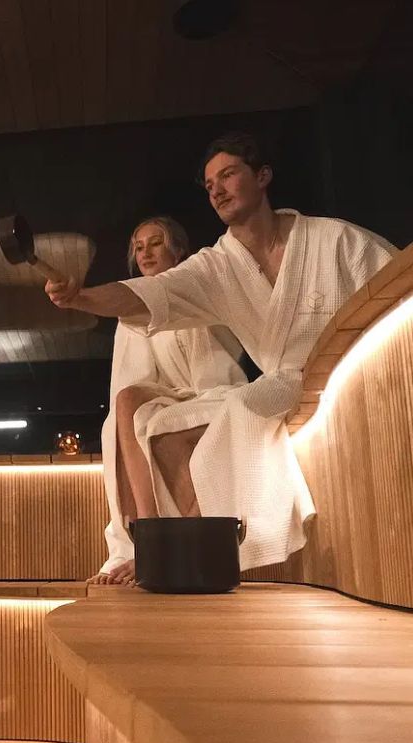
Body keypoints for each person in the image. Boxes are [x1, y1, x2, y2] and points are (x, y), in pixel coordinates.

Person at [48, 131, 397, 570]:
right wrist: (83, 298)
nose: (216, 189)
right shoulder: (219, 266)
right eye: (210, 184)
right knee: (159, 429)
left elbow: (392, 282)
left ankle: (224, 552)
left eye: (228, 175)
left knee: (241, 408)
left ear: (263, 176)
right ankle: (181, 550)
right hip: (281, 382)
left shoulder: (334, 241)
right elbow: (154, 295)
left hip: (344, 376)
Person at [94, 217, 246, 585]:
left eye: (155, 243)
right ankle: (146, 536)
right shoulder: (132, 310)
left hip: (213, 391)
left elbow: (217, 368)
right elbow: (131, 379)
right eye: (139, 246)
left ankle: (178, 544)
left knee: (167, 429)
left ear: (178, 249)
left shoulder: (196, 289)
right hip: (171, 397)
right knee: (124, 406)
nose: (145, 252)